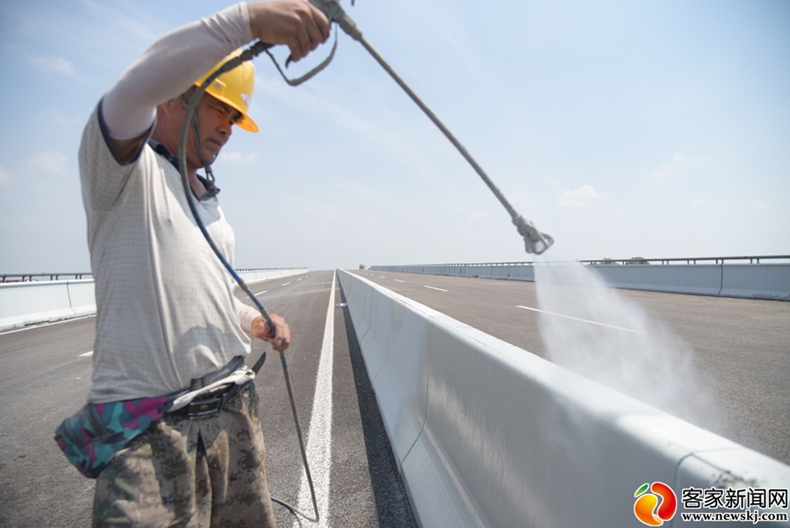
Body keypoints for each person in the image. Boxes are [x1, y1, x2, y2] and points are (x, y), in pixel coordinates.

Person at [73, 2, 329, 526]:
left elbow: (209, 292)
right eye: (219, 107)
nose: (229, 127)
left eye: (236, 116)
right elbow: (132, 88)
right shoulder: (122, 170)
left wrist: (254, 322)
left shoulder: (205, 197)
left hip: (233, 414)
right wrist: (249, 22)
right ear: (173, 97)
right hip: (150, 434)